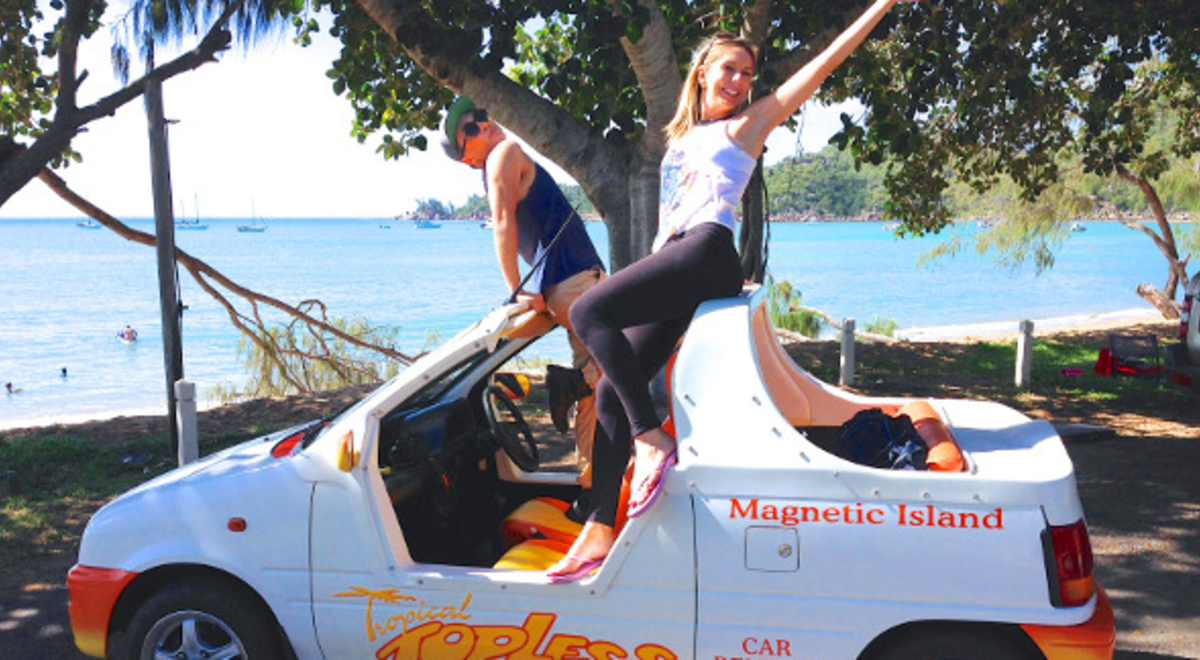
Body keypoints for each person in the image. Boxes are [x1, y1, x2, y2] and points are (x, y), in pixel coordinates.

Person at [546, 0, 915, 582]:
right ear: (702, 72)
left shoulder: (747, 127)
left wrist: (878, 8)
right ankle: (597, 530)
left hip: (708, 248)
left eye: (746, 74)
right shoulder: (684, 137)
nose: (739, 81)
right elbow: (672, 217)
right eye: (729, 70)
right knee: (615, 392)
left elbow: (819, 68)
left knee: (590, 310)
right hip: (680, 257)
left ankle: (651, 441)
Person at [442, 96, 606, 517]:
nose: (487, 122)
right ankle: (574, 394)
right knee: (609, 375)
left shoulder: (499, 158)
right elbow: (502, 224)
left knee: (598, 384)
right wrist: (517, 288)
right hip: (574, 283)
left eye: (483, 115)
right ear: (466, 156)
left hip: (569, 284)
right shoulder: (505, 154)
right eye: (474, 126)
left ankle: (591, 491)